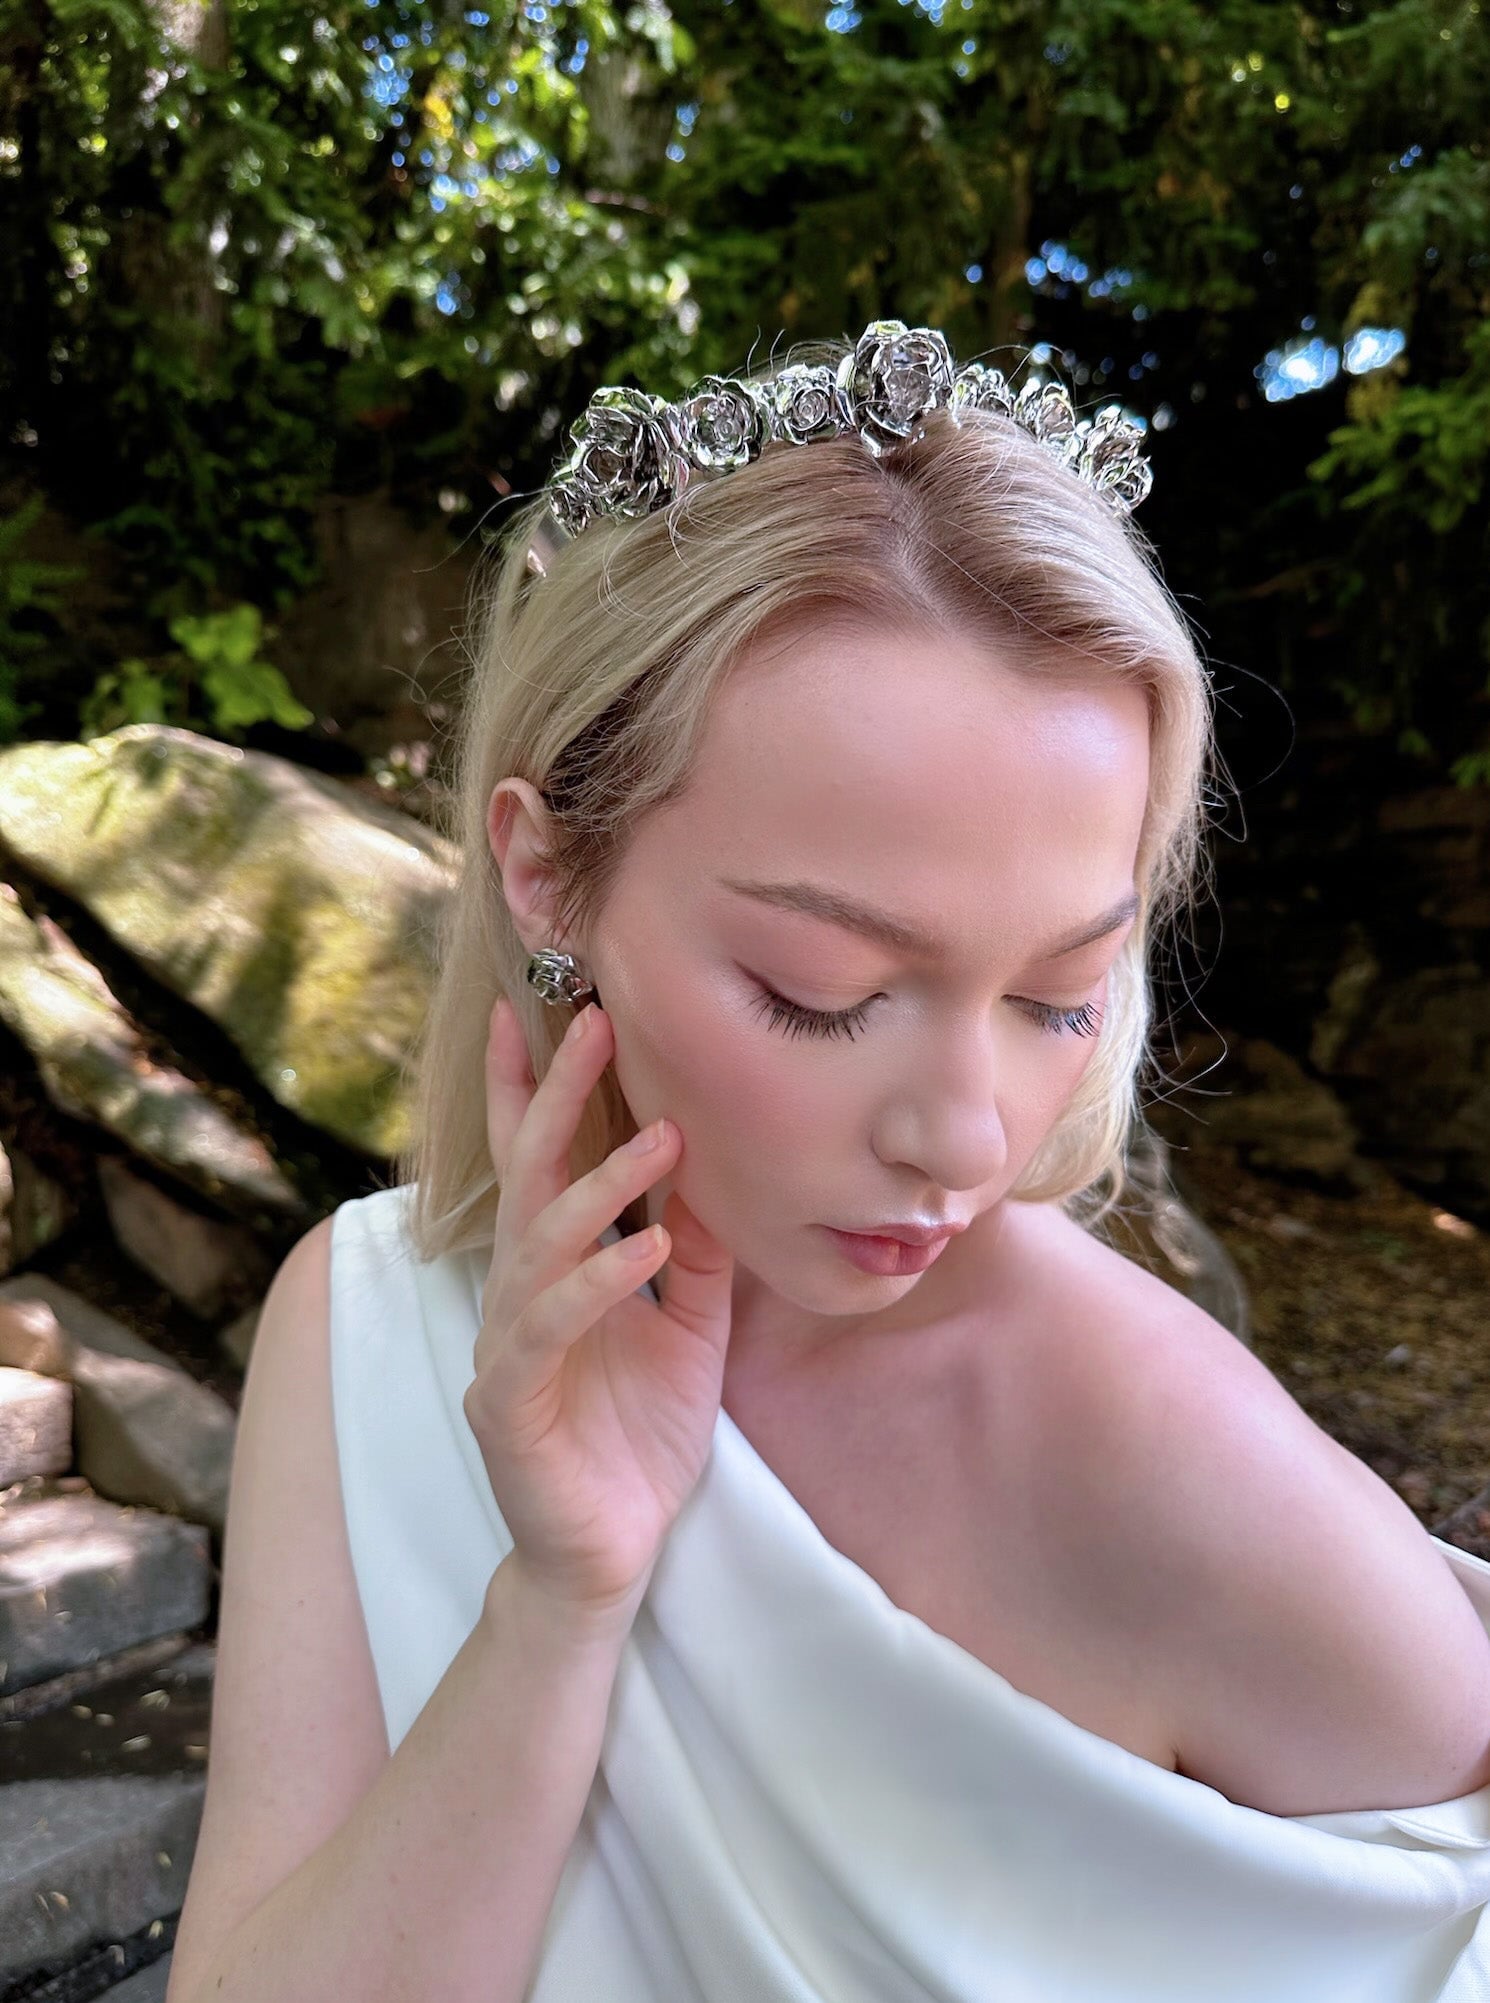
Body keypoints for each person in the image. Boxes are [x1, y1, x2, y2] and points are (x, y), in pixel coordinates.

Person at [168, 322, 1490, 2003]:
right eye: (824, 994)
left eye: (1054, 996)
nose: (964, 1138)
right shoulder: (361, 1322)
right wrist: (559, 1603)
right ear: (547, 878)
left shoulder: (1168, 1457)